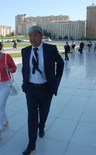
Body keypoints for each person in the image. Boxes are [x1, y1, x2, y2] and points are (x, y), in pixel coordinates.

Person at [21, 26, 64, 155]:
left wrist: (56, 80)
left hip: (46, 88)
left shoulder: (50, 49)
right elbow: (25, 68)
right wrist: (25, 83)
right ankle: (31, 144)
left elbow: (60, 63)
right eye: (30, 35)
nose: (32, 38)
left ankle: (42, 126)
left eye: (34, 35)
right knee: (32, 115)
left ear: (41, 36)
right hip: (31, 89)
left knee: (44, 112)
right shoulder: (26, 50)